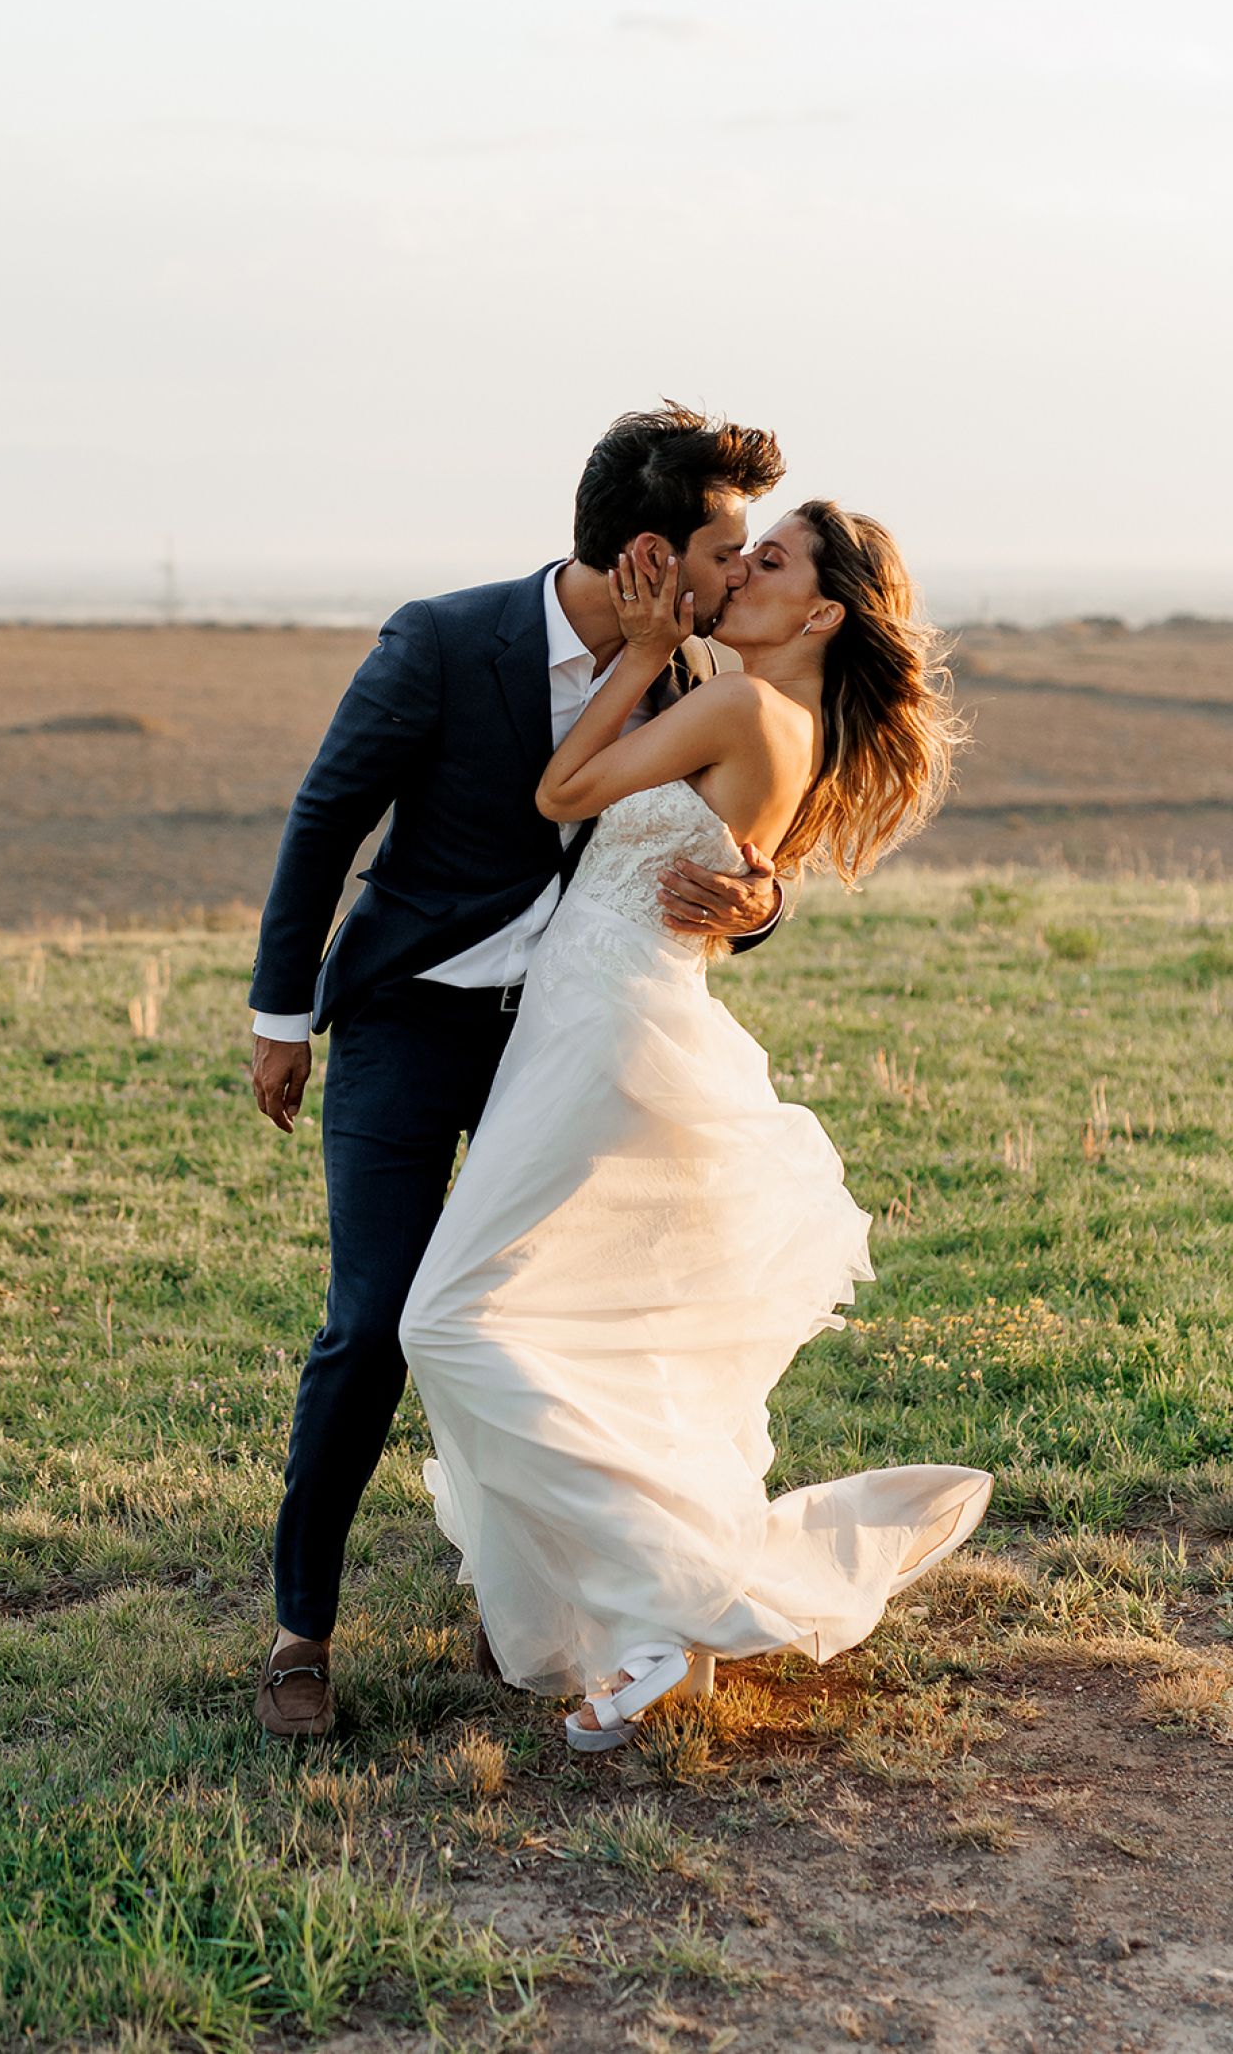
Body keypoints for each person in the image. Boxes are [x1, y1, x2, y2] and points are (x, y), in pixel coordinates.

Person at [399, 500, 991, 1750]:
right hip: (616, 1019)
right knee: (561, 1325)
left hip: (603, 1028)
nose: (742, 570)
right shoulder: (782, 721)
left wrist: (632, 651)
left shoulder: (734, 706)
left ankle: (665, 1603)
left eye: (769, 562)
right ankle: (641, 1625)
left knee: (445, 1319)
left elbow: (563, 792)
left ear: (821, 612)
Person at [248, 404, 789, 1739]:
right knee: (375, 1321)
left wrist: (759, 904)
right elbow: (329, 812)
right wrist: (280, 1013)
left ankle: (531, 1608)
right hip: (408, 1026)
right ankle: (297, 1634)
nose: (742, 573)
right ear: (654, 556)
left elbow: (741, 841)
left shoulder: (691, 684)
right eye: (727, 549)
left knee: (553, 1328)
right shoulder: (442, 639)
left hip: (570, 1047)